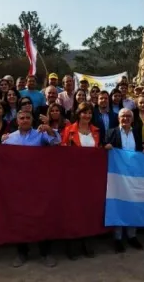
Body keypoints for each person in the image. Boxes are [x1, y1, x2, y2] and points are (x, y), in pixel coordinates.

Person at [2, 110, 60, 268]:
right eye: (22, 118)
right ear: (17, 120)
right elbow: (2, 159)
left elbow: (56, 142)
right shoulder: (9, 138)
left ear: (32, 120)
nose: (25, 120)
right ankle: (22, 252)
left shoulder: (41, 134)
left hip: (38, 184)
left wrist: (49, 128)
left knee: (42, 217)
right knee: (20, 218)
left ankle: (46, 252)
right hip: (18, 186)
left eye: (28, 118)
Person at [60, 102, 99, 259]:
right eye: (84, 112)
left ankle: (86, 241)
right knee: (72, 210)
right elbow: (63, 151)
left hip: (90, 176)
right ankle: (71, 244)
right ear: (78, 113)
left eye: (89, 113)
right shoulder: (69, 130)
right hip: (72, 176)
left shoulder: (96, 131)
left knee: (88, 209)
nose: (87, 115)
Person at [104, 108, 144, 253]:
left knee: (133, 204)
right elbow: (105, 149)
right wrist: (106, 147)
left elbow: (140, 151)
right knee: (118, 204)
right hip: (117, 176)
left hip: (134, 175)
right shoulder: (111, 132)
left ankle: (132, 236)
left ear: (132, 119)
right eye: (123, 116)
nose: (126, 118)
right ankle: (118, 238)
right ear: (118, 118)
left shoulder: (137, 133)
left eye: (128, 116)